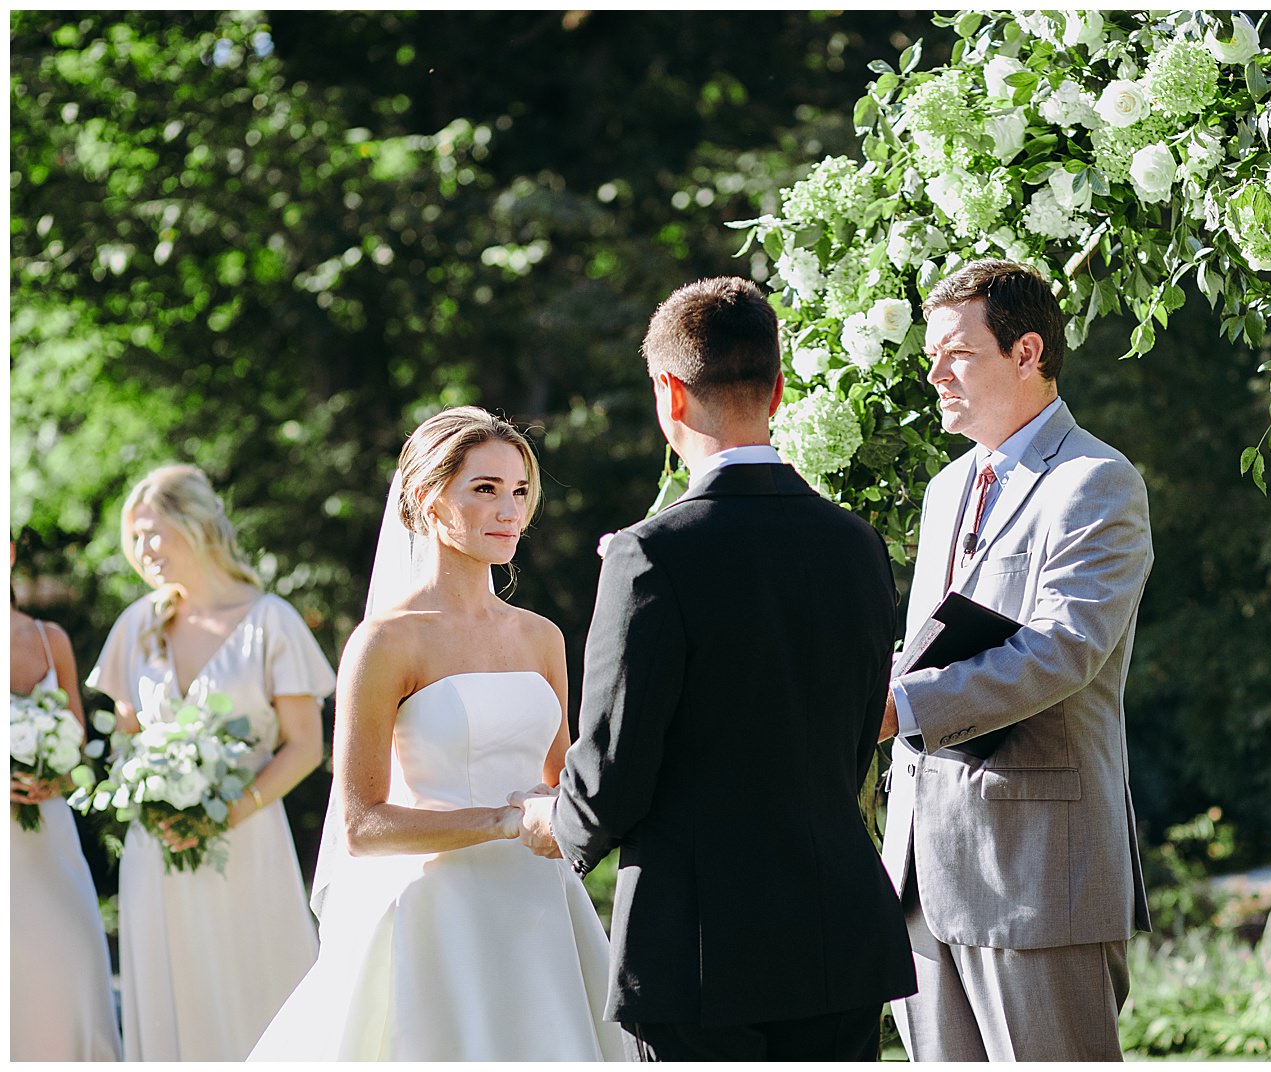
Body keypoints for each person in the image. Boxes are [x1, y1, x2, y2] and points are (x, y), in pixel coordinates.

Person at [519, 276, 917, 1061]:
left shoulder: (649, 554)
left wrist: (555, 822)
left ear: (670, 392)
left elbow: (612, 767)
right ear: (776, 388)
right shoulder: (856, 545)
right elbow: (857, 723)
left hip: (701, 944)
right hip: (840, 928)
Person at [248, 405, 630, 1061]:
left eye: (518, 491)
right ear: (427, 500)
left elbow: (563, 782)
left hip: (542, 910)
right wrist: (503, 823)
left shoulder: (540, 636)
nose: (510, 510)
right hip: (438, 916)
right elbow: (359, 826)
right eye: (485, 489)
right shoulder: (385, 642)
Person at [878, 259, 1154, 1061]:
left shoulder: (1097, 481)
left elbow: (1063, 649)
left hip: (1036, 875)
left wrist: (903, 708)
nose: (934, 374)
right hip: (919, 877)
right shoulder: (944, 489)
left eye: (956, 354)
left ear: (1027, 352)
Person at [87, 464, 334, 1060]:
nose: (143, 550)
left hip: (247, 843)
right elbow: (124, 743)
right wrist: (147, 790)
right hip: (159, 850)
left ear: (196, 526)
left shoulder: (272, 621)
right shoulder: (136, 627)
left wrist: (227, 811)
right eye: (135, 539)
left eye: (153, 532)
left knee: (259, 990)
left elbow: (305, 745)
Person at [10, 546, 123, 1061]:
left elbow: (79, 745)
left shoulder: (47, 638)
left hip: (49, 838)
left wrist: (55, 778)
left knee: (71, 961)